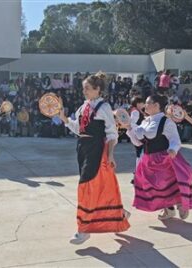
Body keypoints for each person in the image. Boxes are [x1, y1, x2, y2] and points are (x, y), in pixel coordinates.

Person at [58, 71, 130, 245]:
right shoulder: (83, 107)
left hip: (96, 150)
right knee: (98, 186)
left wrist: (110, 154)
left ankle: (84, 228)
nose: (84, 91)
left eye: (87, 88)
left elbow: (112, 134)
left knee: (86, 185)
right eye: (84, 88)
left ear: (98, 89)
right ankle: (119, 213)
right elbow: (78, 128)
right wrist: (65, 119)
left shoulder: (104, 107)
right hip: (82, 148)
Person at [125, 95, 192, 220]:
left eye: (148, 103)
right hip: (148, 159)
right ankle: (168, 209)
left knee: (165, 184)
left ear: (157, 105)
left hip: (164, 159)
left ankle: (180, 203)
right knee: (153, 186)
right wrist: (129, 129)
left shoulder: (166, 121)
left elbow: (175, 139)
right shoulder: (145, 121)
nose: (145, 106)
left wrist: (173, 149)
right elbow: (138, 142)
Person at [129, 96, 145, 184]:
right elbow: (132, 123)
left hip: (137, 135)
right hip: (138, 136)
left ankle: (137, 175)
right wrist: (139, 132)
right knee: (141, 155)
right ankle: (138, 176)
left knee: (140, 155)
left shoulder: (136, 111)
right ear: (138, 103)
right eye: (142, 103)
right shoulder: (135, 112)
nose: (143, 105)